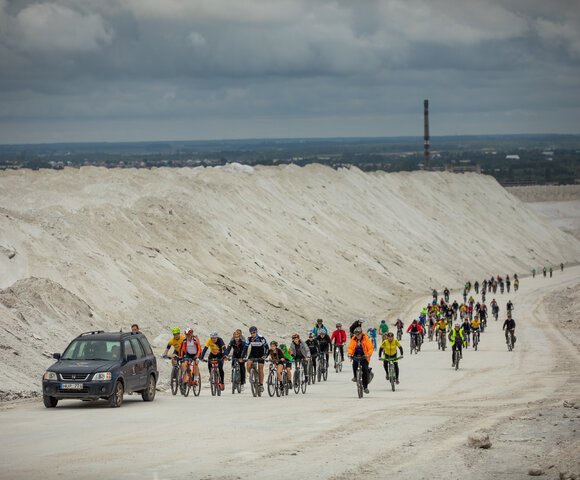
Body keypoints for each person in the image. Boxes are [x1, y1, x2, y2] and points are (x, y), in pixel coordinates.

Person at [348, 327, 374, 394]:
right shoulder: (353, 339)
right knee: (354, 364)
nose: (358, 336)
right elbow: (350, 347)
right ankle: (355, 377)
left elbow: (370, 347)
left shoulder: (366, 338)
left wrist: (368, 354)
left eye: (359, 335)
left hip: (364, 355)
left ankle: (365, 387)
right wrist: (350, 353)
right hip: (356, 354)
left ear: (361, 333)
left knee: (365, 370)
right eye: (356, 335)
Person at [246, 326, 268, 393]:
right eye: (251, 333)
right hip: (252, 354)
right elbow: (245, 347)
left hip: (261, 355)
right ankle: (252, 374)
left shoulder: (261, 338)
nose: (252, 334)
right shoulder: (249, 338)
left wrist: (265, 355)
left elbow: (267, 348)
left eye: (254, 332)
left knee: (260, 368)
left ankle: (261, 385)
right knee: (248, 365)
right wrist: (243, 356)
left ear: (256, 332)